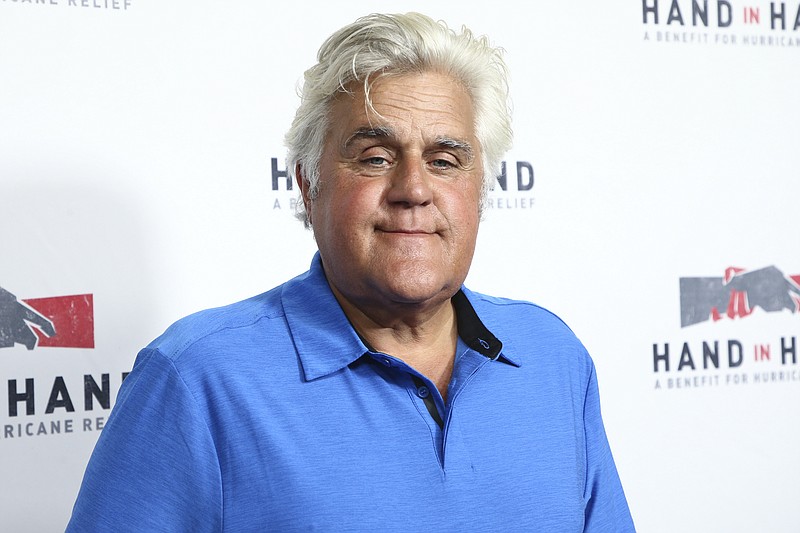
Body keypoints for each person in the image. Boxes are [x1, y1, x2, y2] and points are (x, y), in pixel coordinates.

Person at [67, 12, 635, 532]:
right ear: (309, 186)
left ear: (480, 190)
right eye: (375, 157)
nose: (413, 189)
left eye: (444, 161)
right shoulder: (195, 380)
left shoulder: (554, 358)